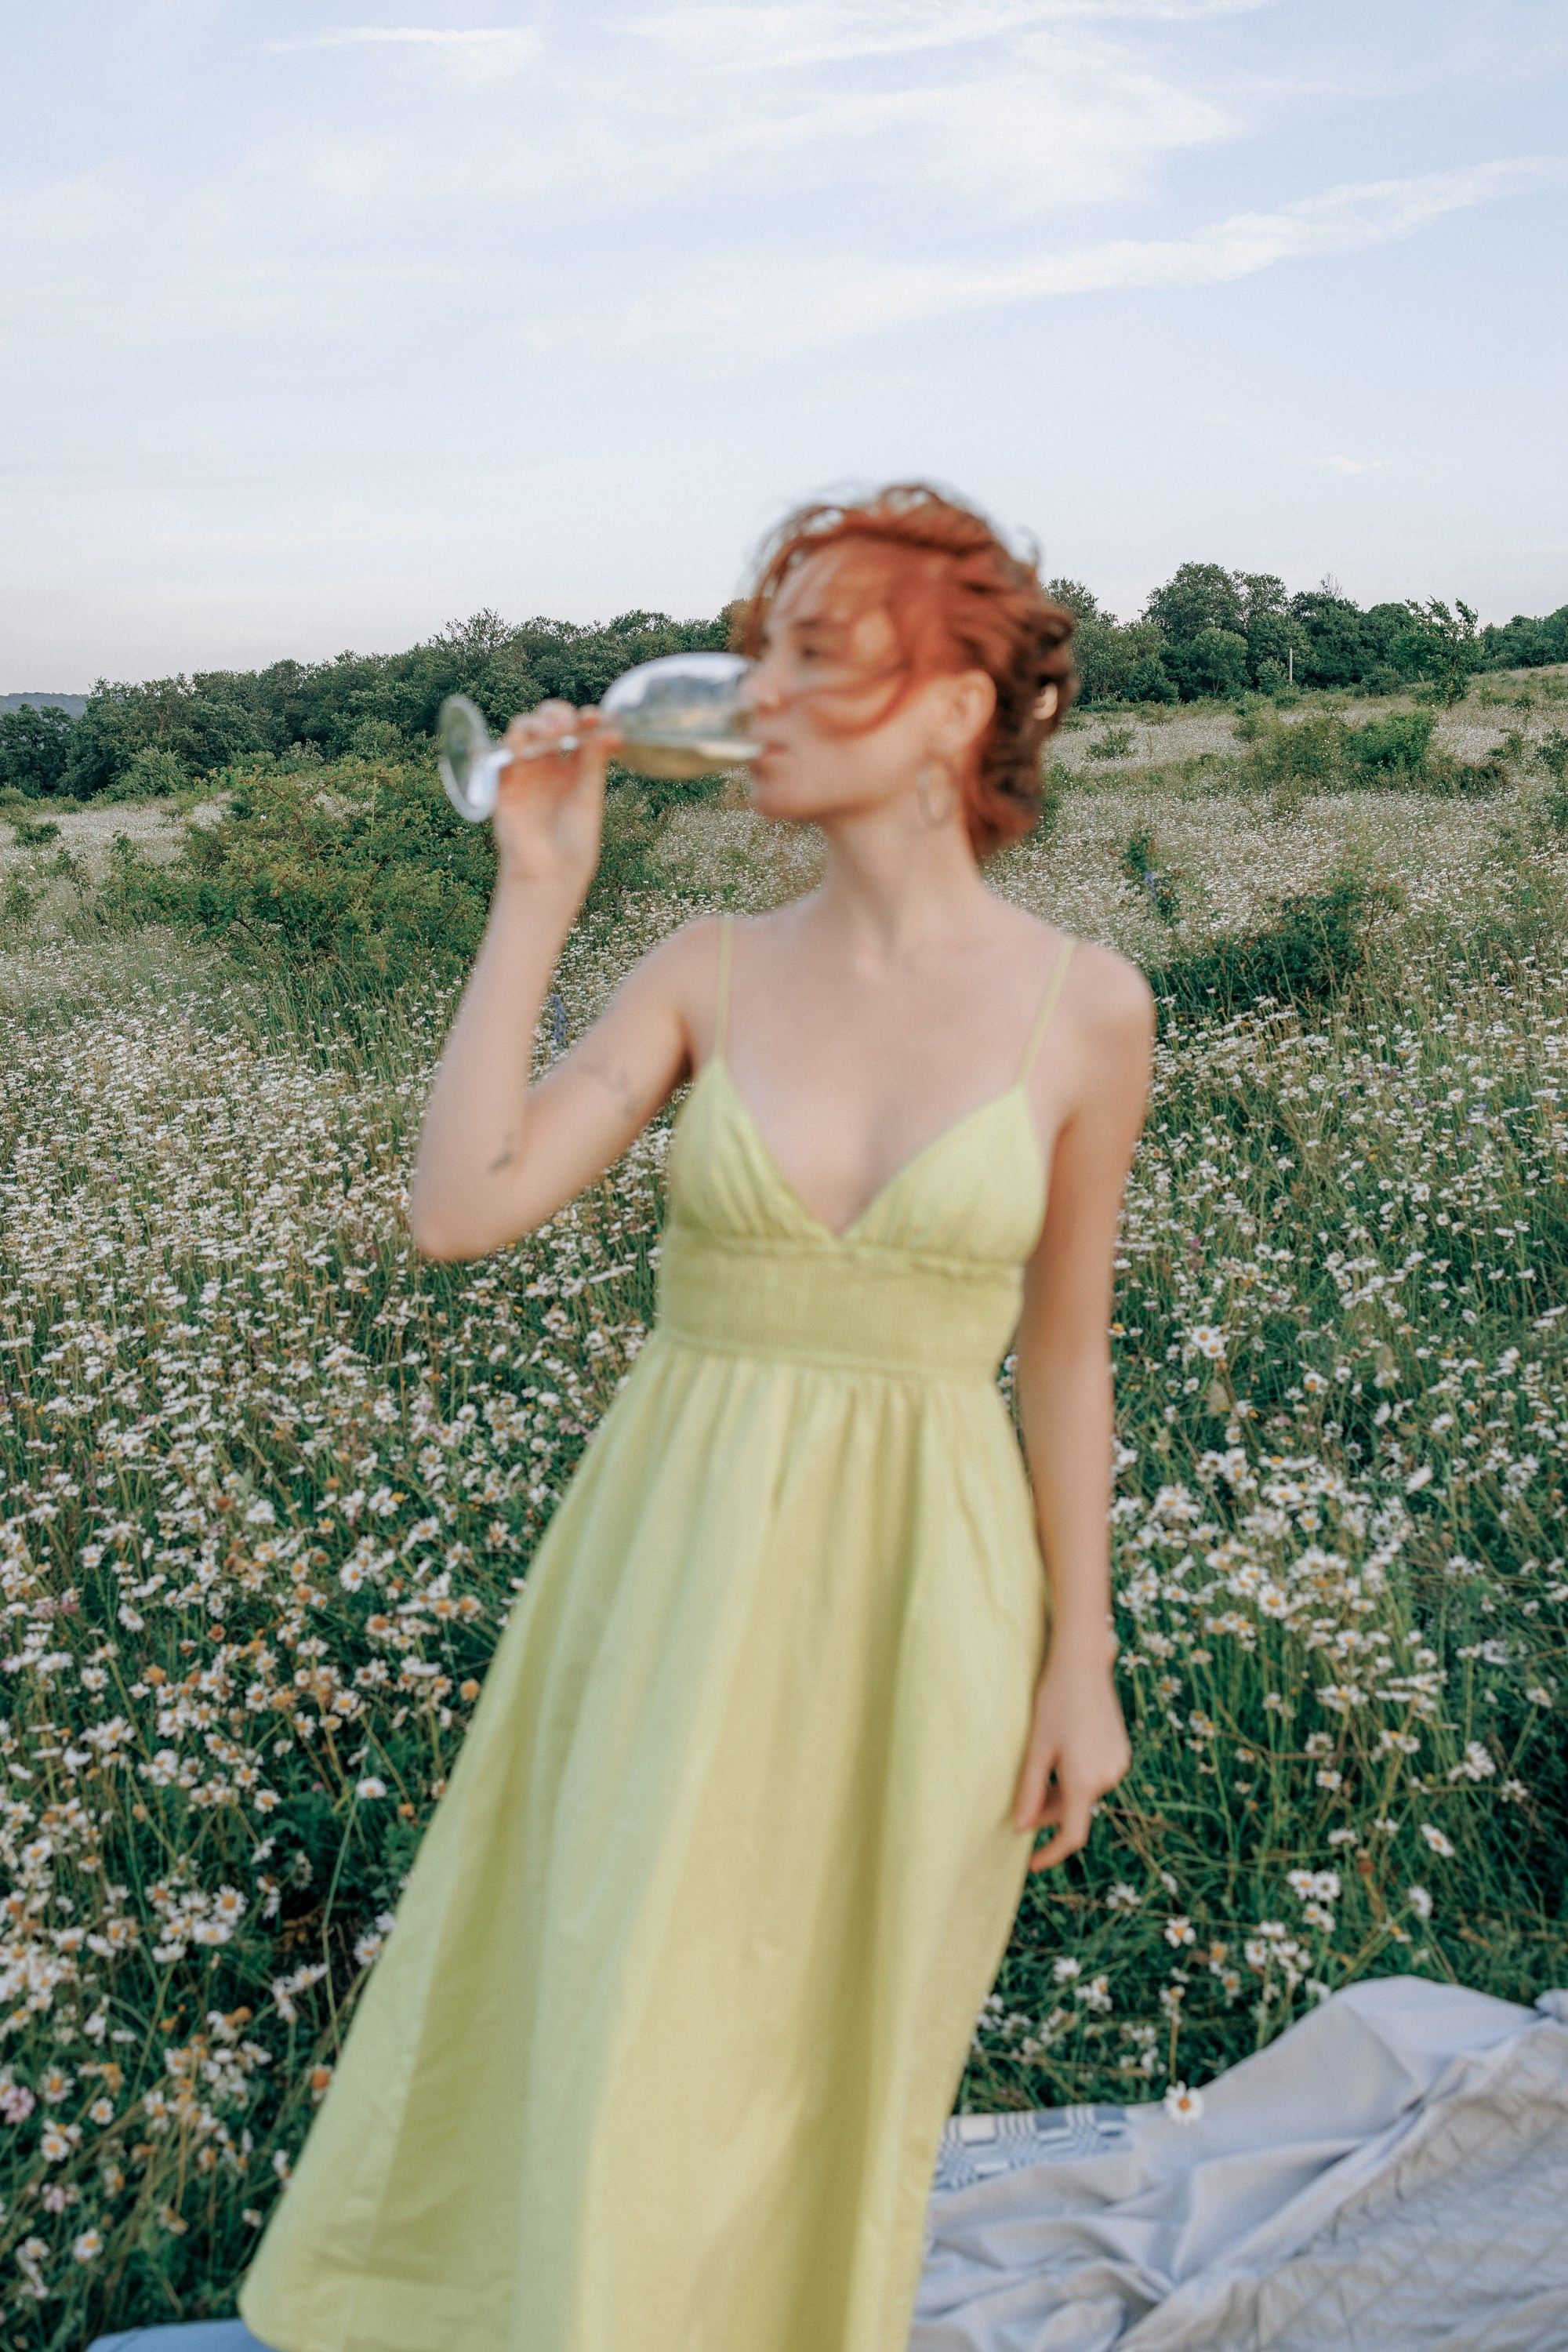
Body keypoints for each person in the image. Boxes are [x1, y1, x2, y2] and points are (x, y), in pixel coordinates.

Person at [239, 484, 1153, 2352]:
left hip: (930, 1594)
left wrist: (1087, 1658)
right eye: (759, 652)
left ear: (960, 709)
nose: (759, 694)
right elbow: (457, 1210)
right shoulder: (701, 973)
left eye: (822, 655)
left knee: (834, 2056)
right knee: (613, 1998)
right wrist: (534, 893)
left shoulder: (1087, 1010)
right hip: (667, 1562)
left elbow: (1065, 1354)